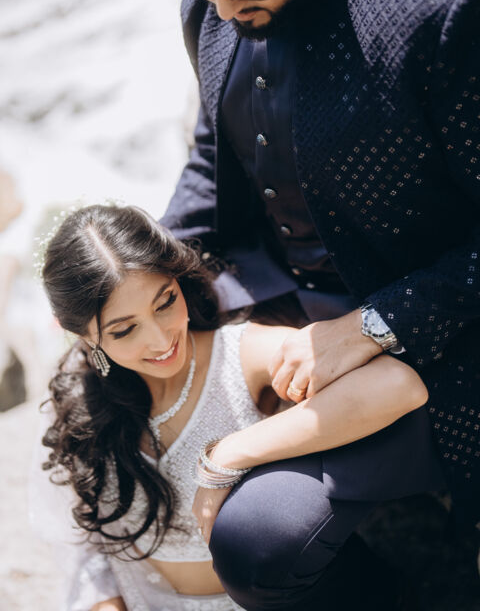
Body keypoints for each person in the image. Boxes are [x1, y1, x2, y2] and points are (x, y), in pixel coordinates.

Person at [128, 0, 480, 606]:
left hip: (439, 337)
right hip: (277, 299)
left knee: (255, 544)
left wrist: (374, 325)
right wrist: (140, 275)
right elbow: (215, 151)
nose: (221, 10)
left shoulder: (446, 6)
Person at [31, 203, 432, 611]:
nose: (161, 340)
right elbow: (83, 546)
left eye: (165, 302)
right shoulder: (77, 401)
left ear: (177, 279)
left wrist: (228, 454)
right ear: (84, 336)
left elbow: (398, 385)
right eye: (125, 329)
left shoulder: (241, 355)